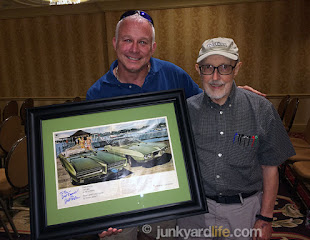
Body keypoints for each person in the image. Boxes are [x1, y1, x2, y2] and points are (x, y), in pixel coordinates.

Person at [87, 10, 265, 240]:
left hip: (166, 193)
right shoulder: (97, 93)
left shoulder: (173, 75)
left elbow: (207, 102)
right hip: (120, 199)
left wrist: (234, 93)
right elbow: (95, 152)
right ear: (115, 43)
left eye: (143, 42)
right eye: (127, 40)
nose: (134, 49)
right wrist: (97, 214)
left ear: (152, 47)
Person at [176, 37, 295, 240]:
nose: (215, 77)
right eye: (207, 68)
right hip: (195, 212)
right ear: (198, 70)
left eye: (224, 67)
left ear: (236, 69)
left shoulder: (261, 109)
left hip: (243, 211)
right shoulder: (185, 110)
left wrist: (266, 218)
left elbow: (270, 167)